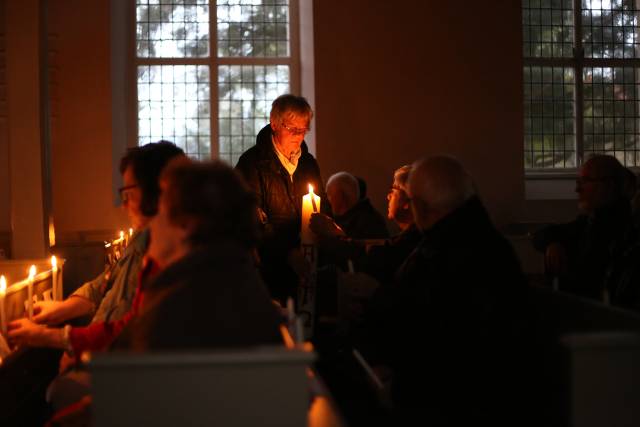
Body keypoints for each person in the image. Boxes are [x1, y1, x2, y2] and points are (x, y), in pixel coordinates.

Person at [365, 155, 532, 425]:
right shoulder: (467, 240)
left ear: (419, 206)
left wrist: (397, 382)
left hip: (449, 405)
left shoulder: (456, 252)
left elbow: (442, 337)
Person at [8, 141, 185, 348]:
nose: (123, 205)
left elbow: (125, 332)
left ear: (156, 192)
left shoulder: (165, 252)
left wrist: (56, 339)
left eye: (128, 194)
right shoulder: (142, 237)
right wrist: (63, 308)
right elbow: (105, 284)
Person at [115, 158, 283, 351]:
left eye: (160, 212)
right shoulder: (240, 281)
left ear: (186, 225)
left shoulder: (173, 311)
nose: (152, 224)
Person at [235, 94, 327, 303]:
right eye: (291, 128)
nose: (297, 135)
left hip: (307, 265)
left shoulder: (308, 164)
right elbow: (251, 219)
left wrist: (326, 228)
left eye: (302, 130)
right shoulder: (252, 164)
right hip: (267, 271)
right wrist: (287, 252)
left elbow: (323, 206)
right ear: (274, 124)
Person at [531, 154, 634, 300]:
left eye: (585, 181)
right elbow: (541, 234)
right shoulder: (589, 222)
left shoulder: (624, 232)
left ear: (609, 186)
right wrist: (552, 244)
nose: (577, 189)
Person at [323, 172, 388, 239]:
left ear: (340, 196)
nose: (328, 200)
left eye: (329, 194)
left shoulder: (369, 223)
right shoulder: (347, 217)